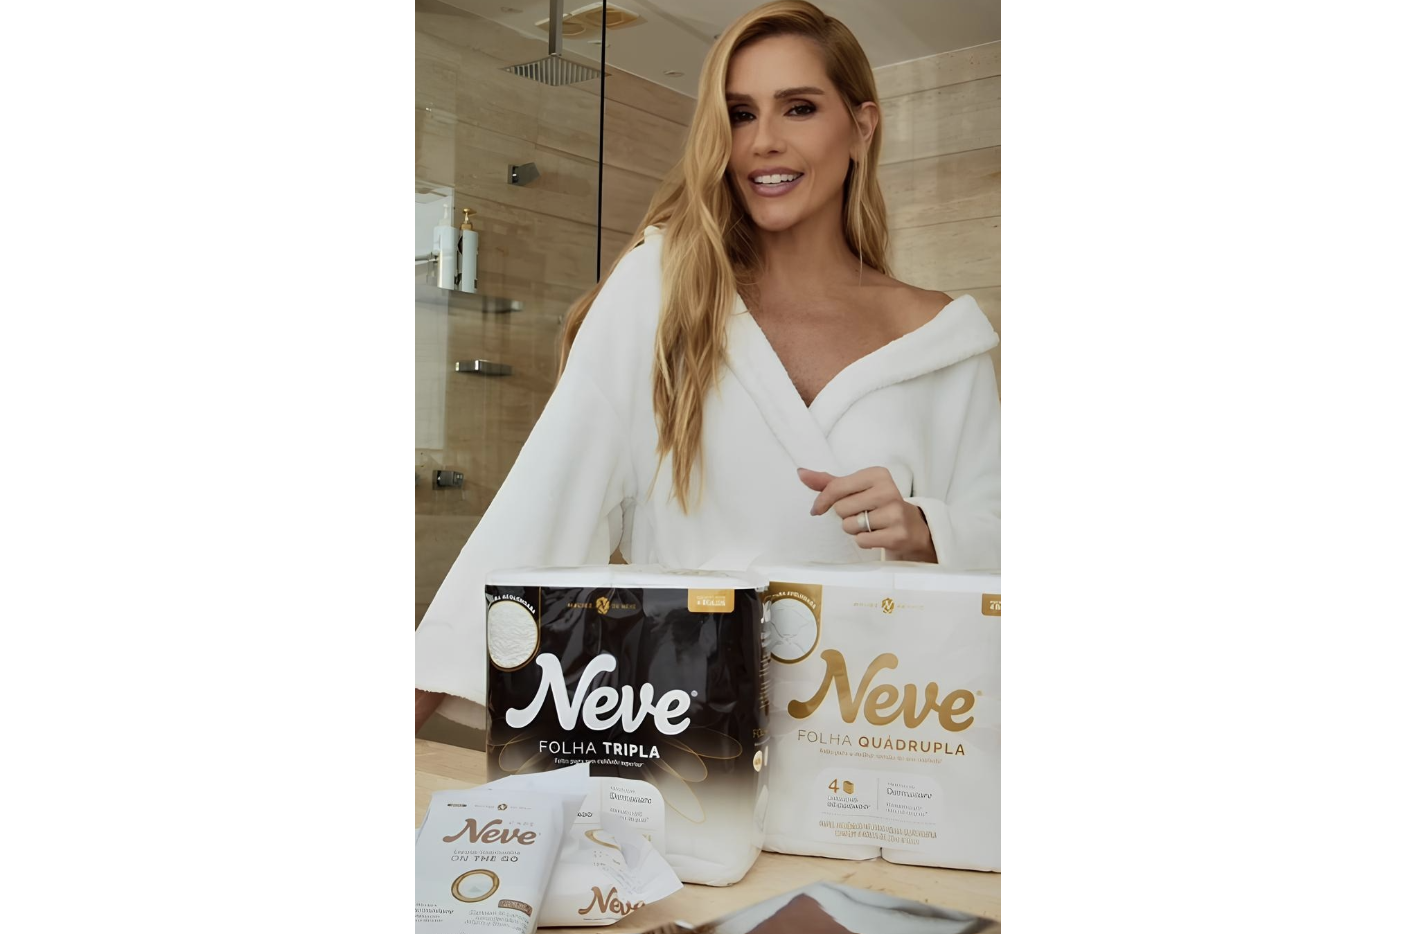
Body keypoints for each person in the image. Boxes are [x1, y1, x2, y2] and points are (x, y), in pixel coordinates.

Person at [416, 0, 999, 729]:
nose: (764, 141)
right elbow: (544, 497)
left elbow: (1003, 537)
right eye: (740, 114)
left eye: (799, 108)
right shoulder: (663, 292)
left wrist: (925, 529)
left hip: (878, 734)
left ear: (862, 126)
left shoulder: (942, 339)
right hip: (683, 735)